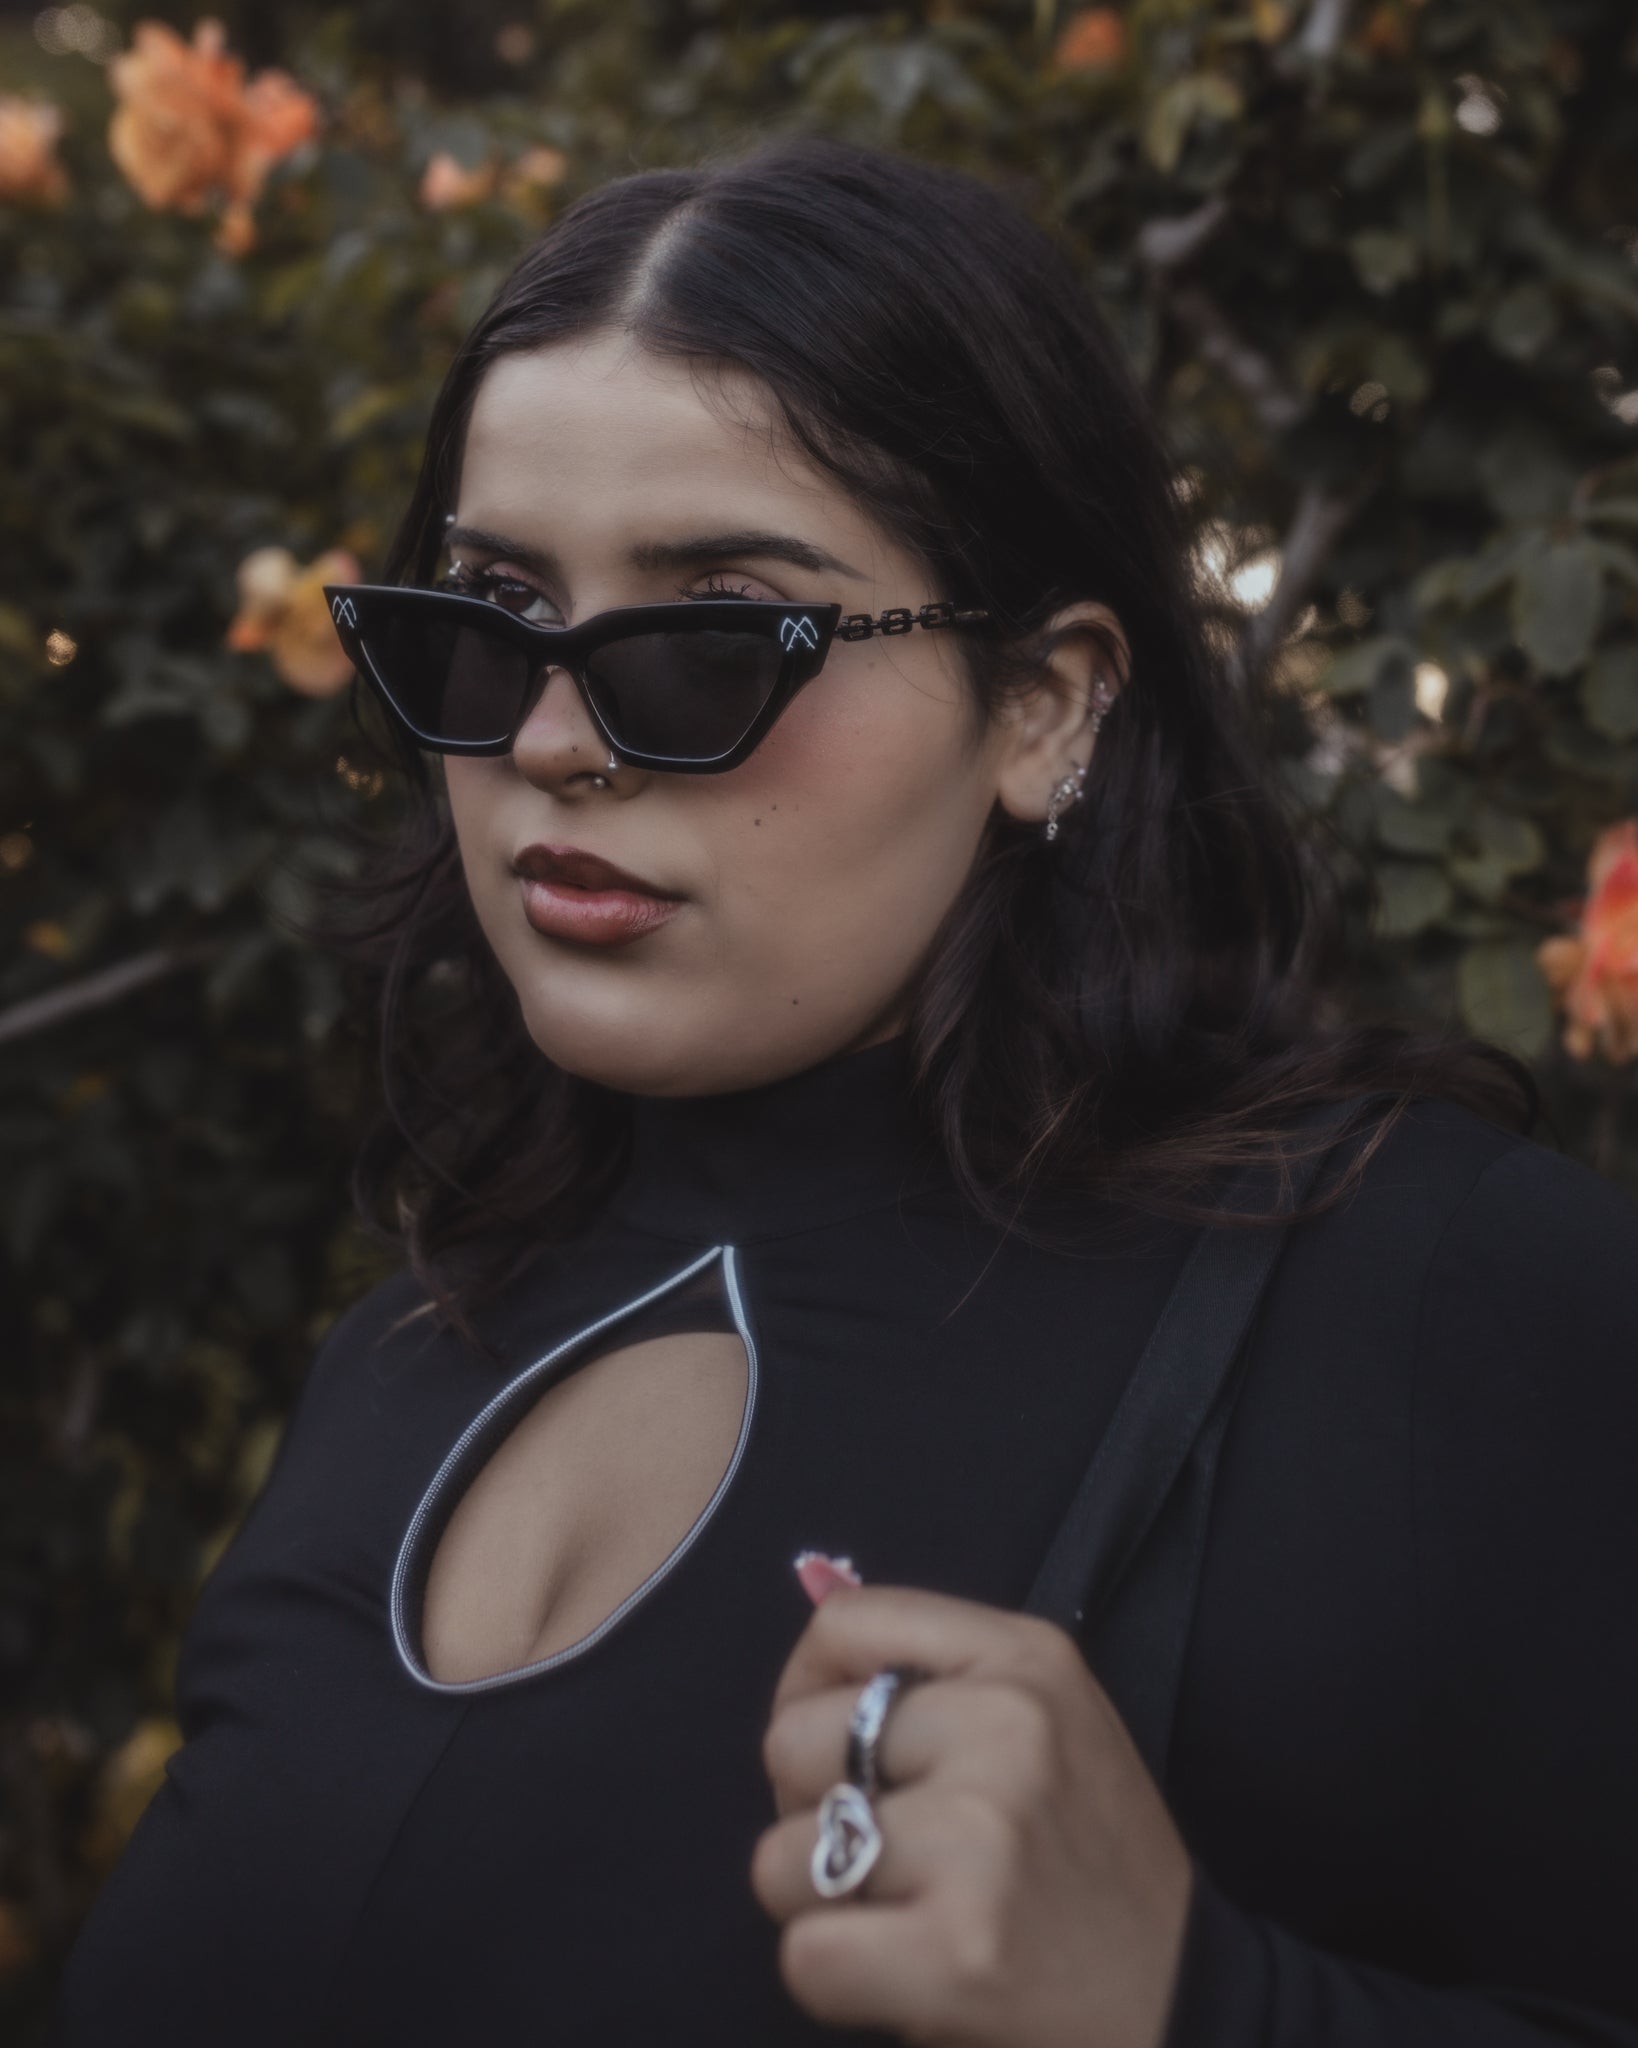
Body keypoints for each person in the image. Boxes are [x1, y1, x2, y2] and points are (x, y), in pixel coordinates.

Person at [51, 135, 1638, 2048]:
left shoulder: (1431, 1301)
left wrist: (1199, 2000)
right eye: (488, 614)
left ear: (1042, 704)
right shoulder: (413, 1337)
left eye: (715, 637)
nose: (552, 742)